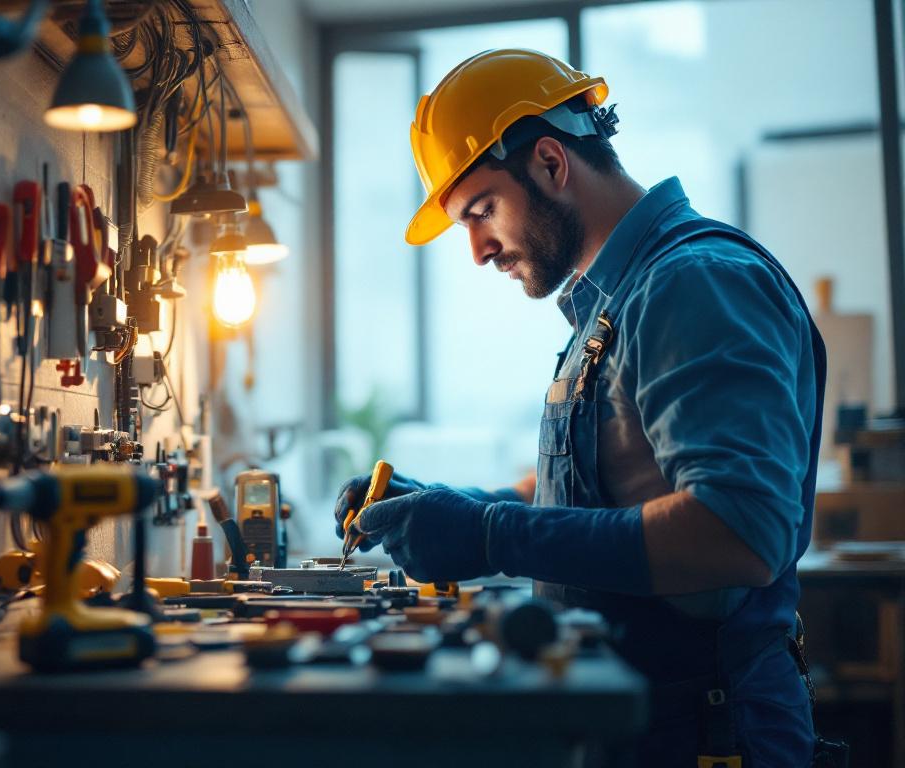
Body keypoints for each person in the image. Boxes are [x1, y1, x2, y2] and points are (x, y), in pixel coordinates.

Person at [333, 49, 829, 767]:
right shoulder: (614, 301)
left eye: (481, 211)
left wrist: (490, 533)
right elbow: (610, 485)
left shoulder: (693, 283)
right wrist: (452, 505)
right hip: (641, 717)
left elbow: (740, 532)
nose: (476, 251)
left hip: (708, 730)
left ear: (549, 163)